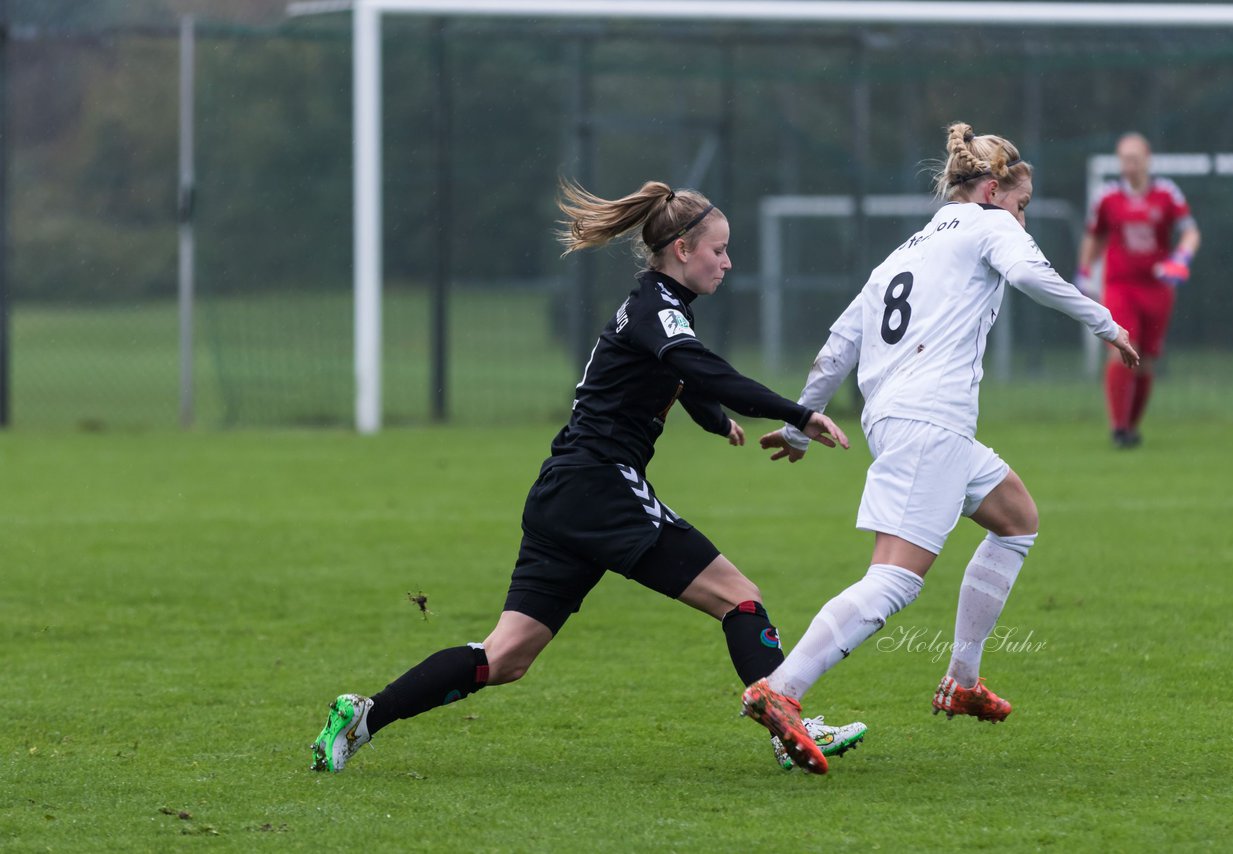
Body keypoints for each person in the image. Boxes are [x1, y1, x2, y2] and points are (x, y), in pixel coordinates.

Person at [310, 179, 862, 776]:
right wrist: (800, 412)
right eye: (719, 250)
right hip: (601, 487)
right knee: (741, 599)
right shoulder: (657, 311)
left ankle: (362, 717)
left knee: (505, 657)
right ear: (682, 248)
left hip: (562, 493)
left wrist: (713, 419)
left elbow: (684, 376)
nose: (728, 262)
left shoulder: (652, 309)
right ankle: (789, 727)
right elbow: (702, 369)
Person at [738, 122, 1140, 773]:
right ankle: (783, 690)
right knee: (894, 581)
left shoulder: (903, 253)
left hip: (901, 419)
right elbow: (1035, 278)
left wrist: (795, 424)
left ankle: (962, 679)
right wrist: (1108, 323)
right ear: (991, 188)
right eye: (1022, 201)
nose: (1023, 214)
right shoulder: (991, 225)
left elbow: (838, 344)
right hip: (931, 423)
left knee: (1016, 520)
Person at [1076, 132, 1201, 448]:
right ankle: (1118, 428)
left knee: (1146, 360)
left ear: (1147, 159)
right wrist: (1084, 270)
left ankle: (1130, 428)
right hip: (1120, 286)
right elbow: (1094, 236)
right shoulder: (1107, 197)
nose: (1128, 165)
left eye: (1134, 158)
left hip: (1157, 289)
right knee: (1120, 349)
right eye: (1123, 159)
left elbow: (1190, 233)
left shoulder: (1167, 194)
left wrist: (1180, 259)